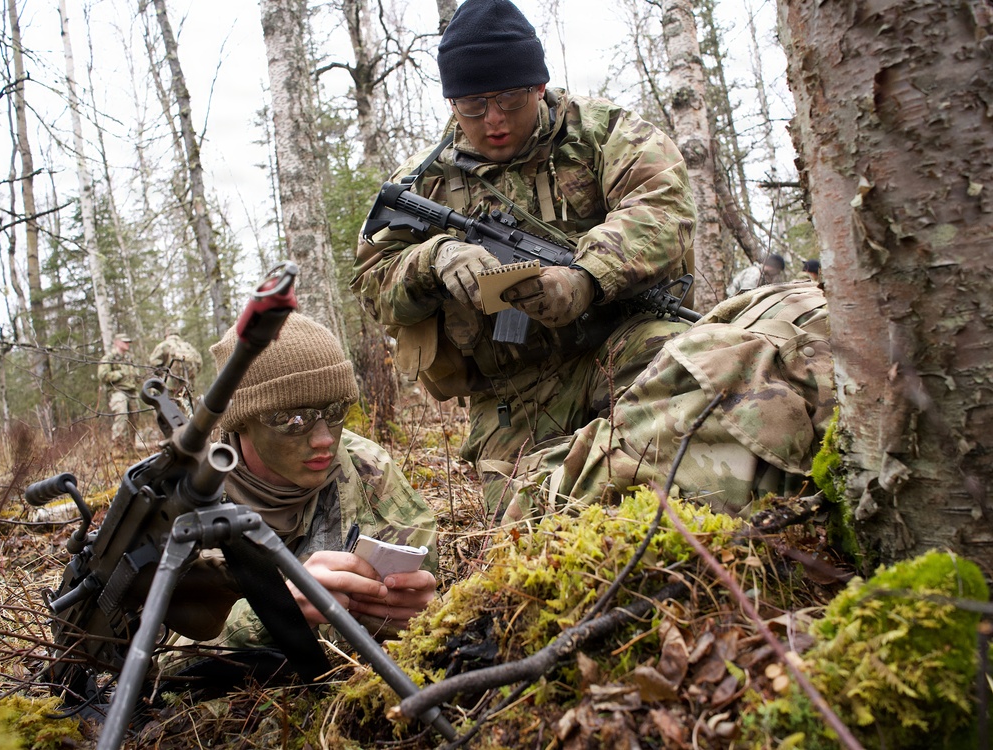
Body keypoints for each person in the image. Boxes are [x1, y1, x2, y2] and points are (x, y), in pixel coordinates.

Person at [351, 0, 697, 518]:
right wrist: (434, 258)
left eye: (511, 99)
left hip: (619, 346)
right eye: (472, 106)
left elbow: (664, 204)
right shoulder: (424, 181)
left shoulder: (605, 133)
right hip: (512, 395)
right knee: (523, 526)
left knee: (679, 427)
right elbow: (371, 278)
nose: (493, 120)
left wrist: (585, 277)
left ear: (539, 87)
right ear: (451, 103)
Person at [166, 313, 438, 657]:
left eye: (337, 411)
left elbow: (427, 589)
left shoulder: (366, 467)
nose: (325, 439)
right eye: (294, 419)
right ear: (241, 421)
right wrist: (274, 615)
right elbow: (155, 663)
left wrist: (420, 610)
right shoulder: (184, 503)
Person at [500, 281, 835, 524]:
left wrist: (586, 276)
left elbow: (661, 212)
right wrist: (446, 250)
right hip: (512, 386)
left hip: (626, 345)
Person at [97, 333, 139, 449]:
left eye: (128, 342)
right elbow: (102, 375)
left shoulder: (129, 358)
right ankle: (118, 447)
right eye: (125, 342)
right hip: (117, 391)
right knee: (122, 414)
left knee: (135, 417)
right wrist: (118, 375)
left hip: (132, 391)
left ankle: (131, 447)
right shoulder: (109, 358)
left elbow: (135, 374)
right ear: (117, 343)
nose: (127, 344)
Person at [149, 327, 203, 415]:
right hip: (187, 386)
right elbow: (199, 364)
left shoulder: (165, 345)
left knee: (169, 413)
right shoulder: (188, 347)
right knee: (187, 410)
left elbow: (153, 363)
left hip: (170, 386)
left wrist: (162, 374)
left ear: (167, 335)